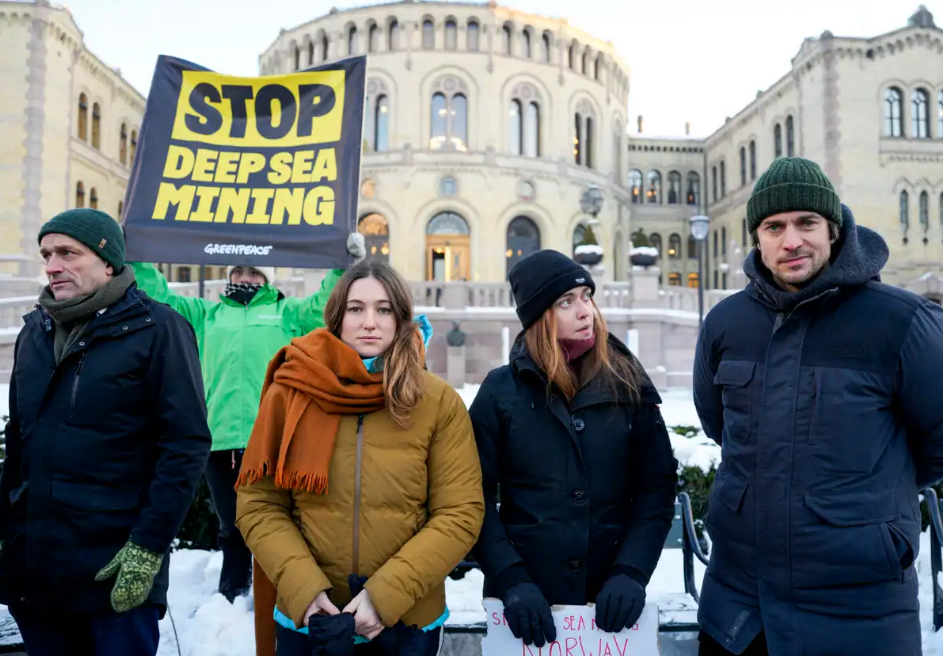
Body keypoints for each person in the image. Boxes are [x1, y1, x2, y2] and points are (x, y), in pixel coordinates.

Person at [693, 157, 943, 656]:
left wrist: (864, 506)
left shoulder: (904, 323)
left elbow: (937, 443)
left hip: (859, 613)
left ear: (833, 230)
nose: (791, 241)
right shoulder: (725, 323)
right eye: (774, 226)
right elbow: (720, 424)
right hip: (741, 613)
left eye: (807, 223)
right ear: (758, 238)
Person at [234, 259, 485, 656]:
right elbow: (259, 503)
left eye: (383, 309)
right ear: (337, 317)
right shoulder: (291, 391)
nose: (370, 322)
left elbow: (460, 513)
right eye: (356, 309)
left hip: (405, 621)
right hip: (310, 620)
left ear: (401, 318)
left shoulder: (437, 402)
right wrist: (305, 588)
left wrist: (384, 596)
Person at [0, 209, 212, 656]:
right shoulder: (33, 334)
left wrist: (148, 548)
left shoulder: (159, 330)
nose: (52, 265)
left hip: (116, 568)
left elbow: (184, 445)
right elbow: (20, 444)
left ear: (108, 261)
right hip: (38, 572)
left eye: (67, 253)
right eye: (46, 255)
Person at [127, 232, 364, 602]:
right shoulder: (205, 315)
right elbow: (160, 298)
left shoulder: (287, 313)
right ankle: (233, 595)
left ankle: (281, 594)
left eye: (253, 273)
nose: (245, 279)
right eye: (239, 272)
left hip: (273, 437)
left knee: (278, 522)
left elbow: (326, 305)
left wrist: (342, 264)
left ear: (266, 279)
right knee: (232, 523)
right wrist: (137, 257)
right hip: (218, 438)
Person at [469, 249, 679, 648]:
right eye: (567, 301)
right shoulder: (500, 392)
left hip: (608, 613)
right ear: (539, 316)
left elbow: (656, 490)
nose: (586, 311)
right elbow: (470, 497)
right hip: (526, 612)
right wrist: (509, 578)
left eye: (586, 296)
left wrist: (631, 571)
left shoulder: (628, 384)